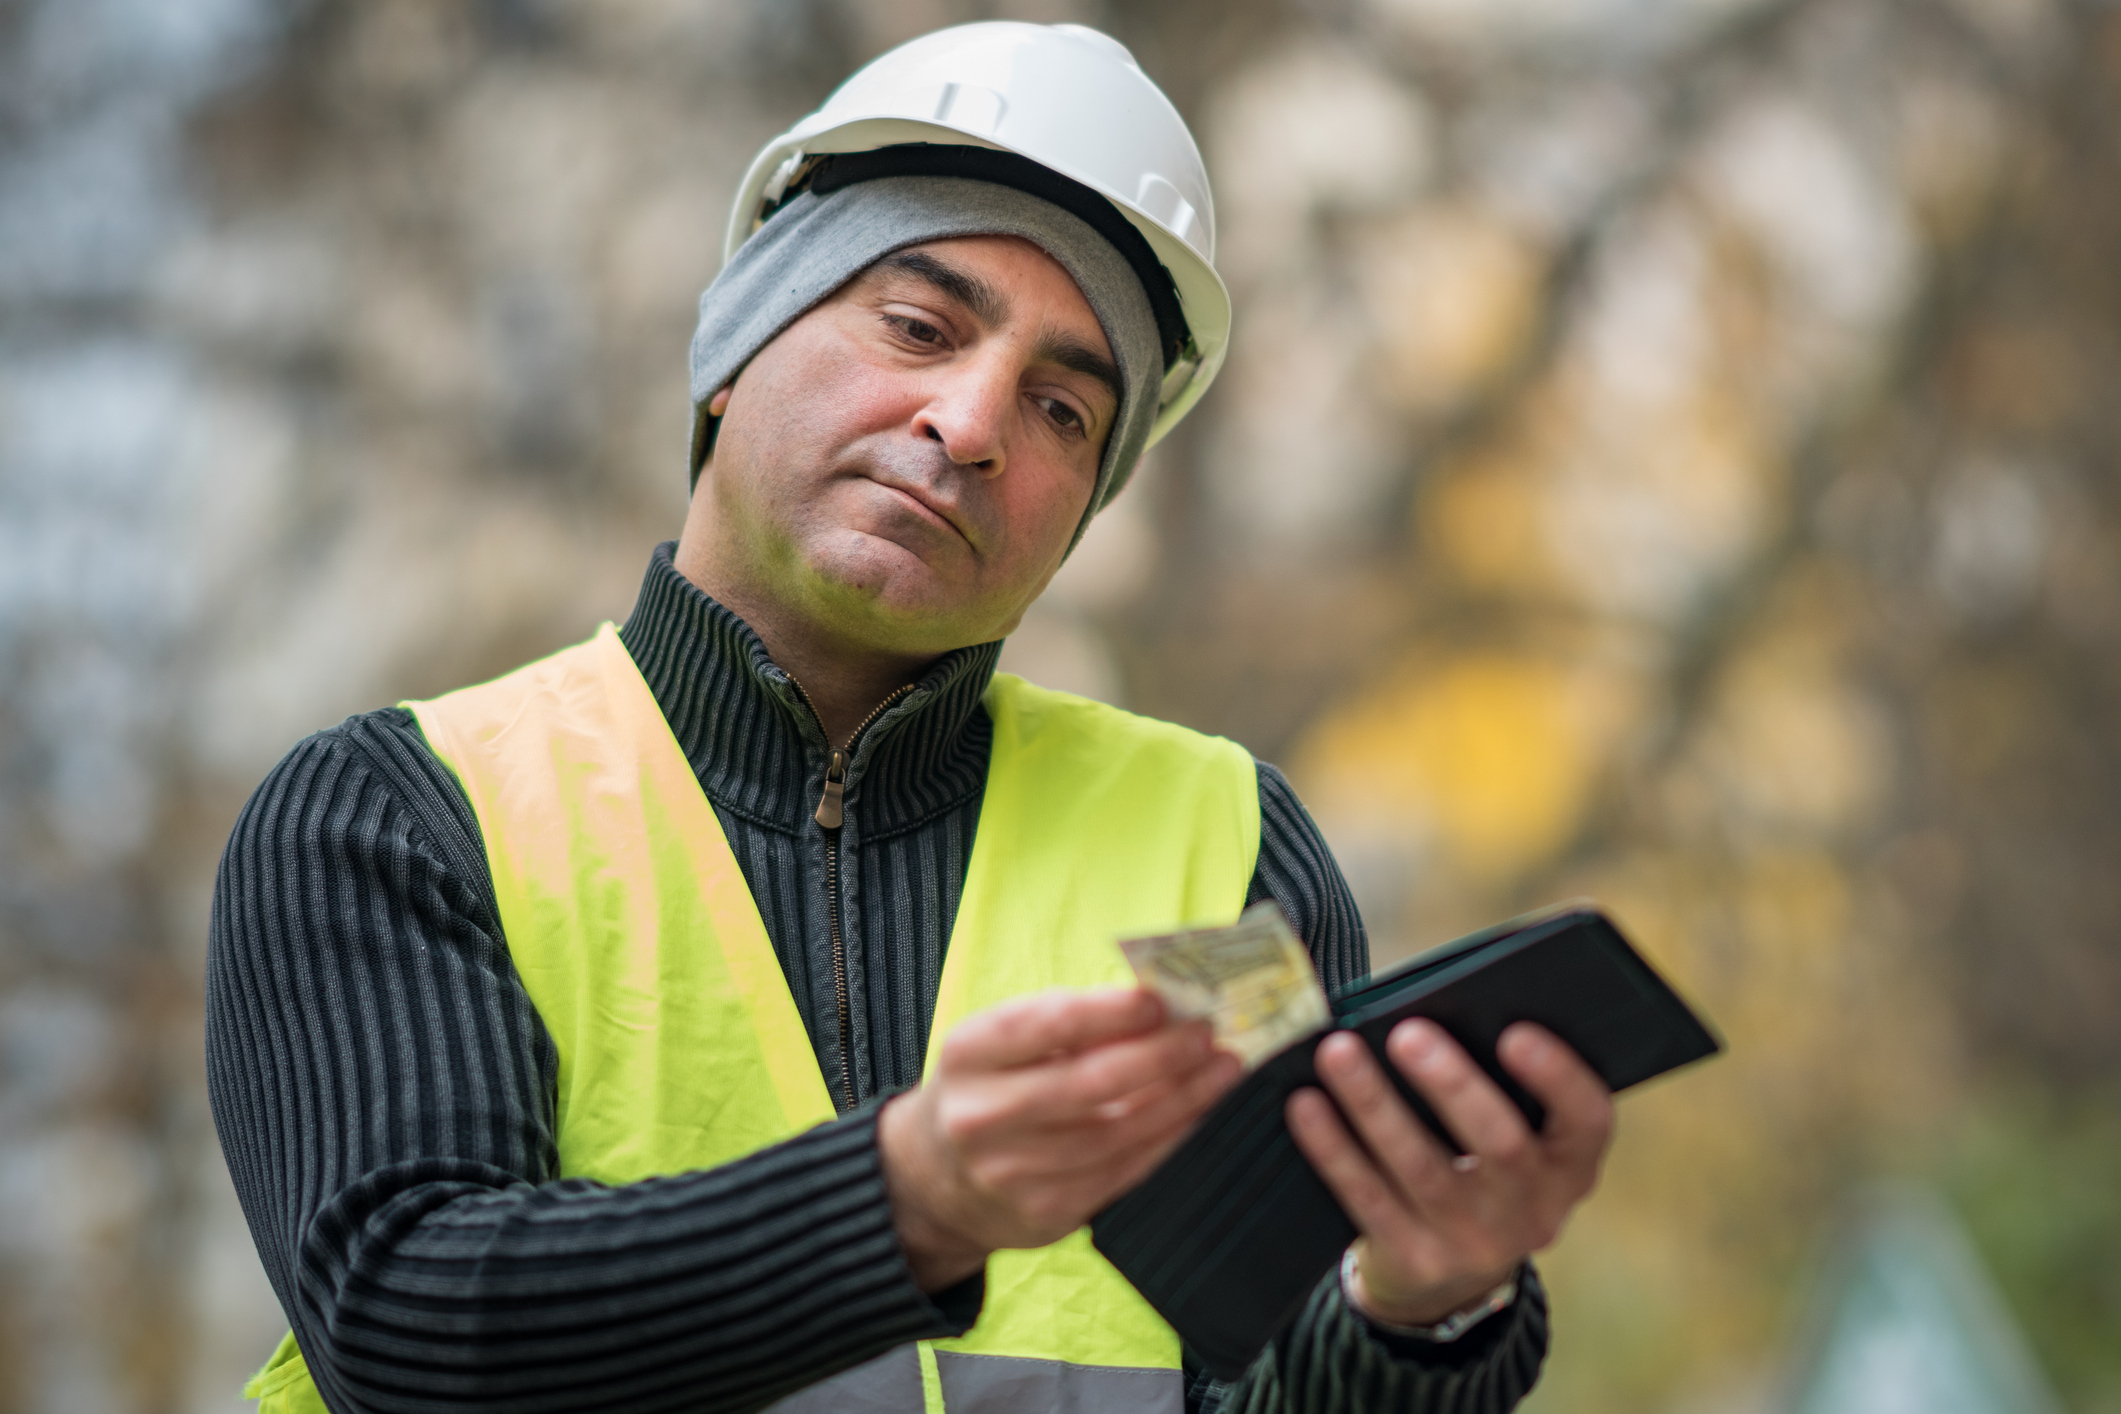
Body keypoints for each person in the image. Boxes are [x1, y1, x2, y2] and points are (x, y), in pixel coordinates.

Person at [206, 22, 1613, 1414]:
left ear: (1081, 513)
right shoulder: (401, 813)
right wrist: (911, 1199)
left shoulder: (1218, 849)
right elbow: (406, 1330)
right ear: (731, 344)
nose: (972, 420)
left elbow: (1250, 1370)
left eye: (1064, 408)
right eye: (918, 325)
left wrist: (1419, 1316)